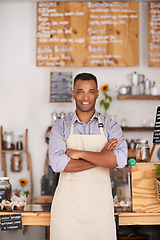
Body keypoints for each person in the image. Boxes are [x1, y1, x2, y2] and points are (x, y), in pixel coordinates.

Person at [49, 72, 128, 240]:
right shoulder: (60, 126)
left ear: (97, 94)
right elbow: (58, 164)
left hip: (100, 213)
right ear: (73, 94)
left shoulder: (110, 126)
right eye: (80, 91)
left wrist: (79, 154)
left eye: (91, 91)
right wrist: (102, 157)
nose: (85, 97)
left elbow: (119, 160)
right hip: (67, 213)